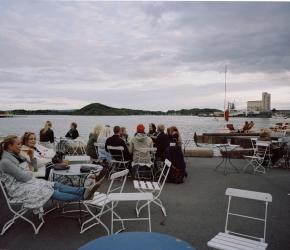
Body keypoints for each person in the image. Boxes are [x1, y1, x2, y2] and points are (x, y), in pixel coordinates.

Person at [0, 136, 106, 212]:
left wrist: (32, 157)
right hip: (19, 188)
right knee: (51, 191)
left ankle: (84, 191)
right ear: (9, 146)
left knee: (55, 184)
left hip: (28, 181)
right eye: (18, 144)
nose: (20, 146)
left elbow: (34, 167)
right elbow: (23, 176)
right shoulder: (6, 161)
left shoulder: (16, 156)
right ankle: (83, 197)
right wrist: (29, 172)